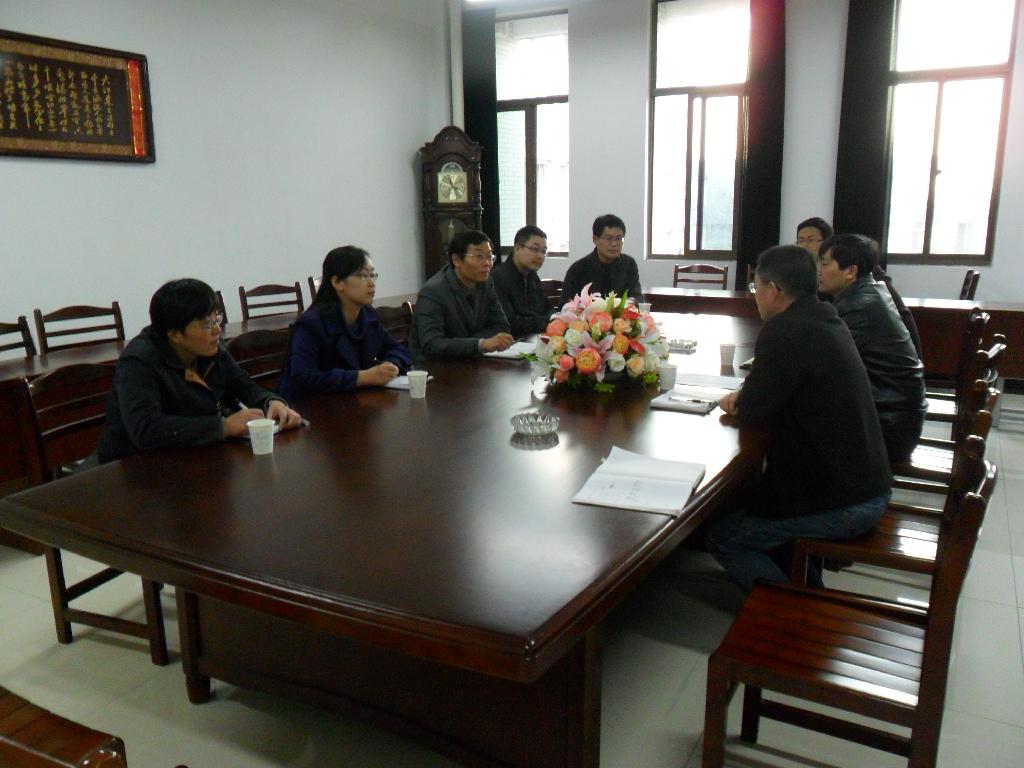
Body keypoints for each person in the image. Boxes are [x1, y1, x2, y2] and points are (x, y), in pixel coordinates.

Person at [707, 245, 892, 592]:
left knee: (724, 536)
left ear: (773, 290)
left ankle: (803, 605)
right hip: (868, 483)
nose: (755, 295)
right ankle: (803, 584)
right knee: (753, 508)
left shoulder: (784, 331)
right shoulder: (824, 316)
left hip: (843, 502)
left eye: (756, 287)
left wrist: (741, 401)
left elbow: (755, 409)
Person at [98, 278, 302, 462]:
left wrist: (271, 402)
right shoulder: (138, 362)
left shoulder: (212, 350)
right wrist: (223, 427)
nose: (217, 330)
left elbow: (245, 386)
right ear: (175, 334)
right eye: (206, 324)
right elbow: (146, 429)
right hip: (135, 465)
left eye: (217, 319)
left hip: (192, 455)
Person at [816, 234, 927, 463]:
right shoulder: (870, 292)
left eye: (825, 264)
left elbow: (824, 366)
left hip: (889, 429)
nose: (819, 270)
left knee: (794, 427)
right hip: (895, 417)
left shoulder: (860, 307)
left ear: (851, 271)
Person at [277, 245, 412, 400]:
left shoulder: (368, 316)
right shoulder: (311, 325)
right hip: (311, 407)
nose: (371, 283)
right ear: (337, 282)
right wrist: (360, 377)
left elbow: (399, 349)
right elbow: (303, 378)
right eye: (363, 276)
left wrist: (390, 365)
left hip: (353, 402)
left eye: (372, 275)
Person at [409, 230, 513, 359]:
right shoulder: (433, 291)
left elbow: (501, 326)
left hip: (471, 360)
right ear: (456, 260)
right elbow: (432, 344)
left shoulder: (486, 283)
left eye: (489, 256)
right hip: (435, 366)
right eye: (479, 257)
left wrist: (474, 344)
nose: (487, 263)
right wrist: (480, 344)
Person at [560, 214, 644, 305]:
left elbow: (637, 297)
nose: (614, 244)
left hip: (621, 313)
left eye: (619, 238)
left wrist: (628, 302)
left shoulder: (629, 264)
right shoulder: (578, 269)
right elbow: (565, 305)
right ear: (595, 239)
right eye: (608, 238)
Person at [490, 225, 553, 337]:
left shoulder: (532, 275)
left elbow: (547, 308)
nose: (540, 256)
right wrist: (544, 321)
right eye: (535, 249)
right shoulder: (498, 278)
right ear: (517, 248)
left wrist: (554, 317)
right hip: (512, 342)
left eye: (544, 251)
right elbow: (510, 322)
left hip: (534, 337)